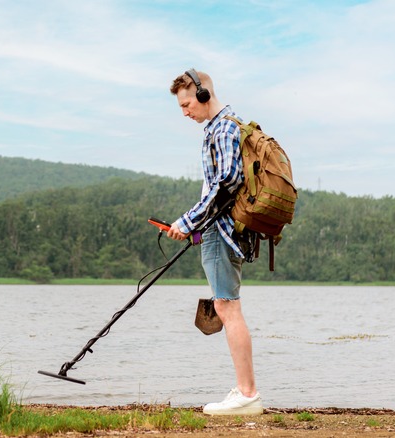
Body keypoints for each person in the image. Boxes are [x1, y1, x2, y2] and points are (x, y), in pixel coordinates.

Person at [166, 68, 263, 416]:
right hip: (216, 229)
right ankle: (243, 388)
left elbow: (226, 184)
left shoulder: (223, 128)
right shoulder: (219, 127)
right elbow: (217, 190)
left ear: (204, 94)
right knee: (227, 306)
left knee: (227, 307)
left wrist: (187, 221)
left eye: (187, 103)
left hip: (221, 232)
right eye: (181, 106)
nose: (185, 111)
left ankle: (248, 395)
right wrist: (194, 228)